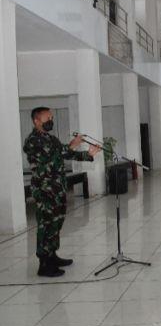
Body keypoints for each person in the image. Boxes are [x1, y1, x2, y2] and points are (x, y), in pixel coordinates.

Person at [23, 107, 101, 277]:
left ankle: (52, 255)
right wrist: (74, 146)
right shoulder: (33, 141)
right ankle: (44, 264)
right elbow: (58, 153)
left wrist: (88, 154)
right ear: (37, 121)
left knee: (56, 223)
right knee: (46, 224)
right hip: (45, 190)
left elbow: (64, 153)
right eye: (47, 118)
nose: (51, 120)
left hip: (57, 188)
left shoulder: (50, 138)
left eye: (52, 117)